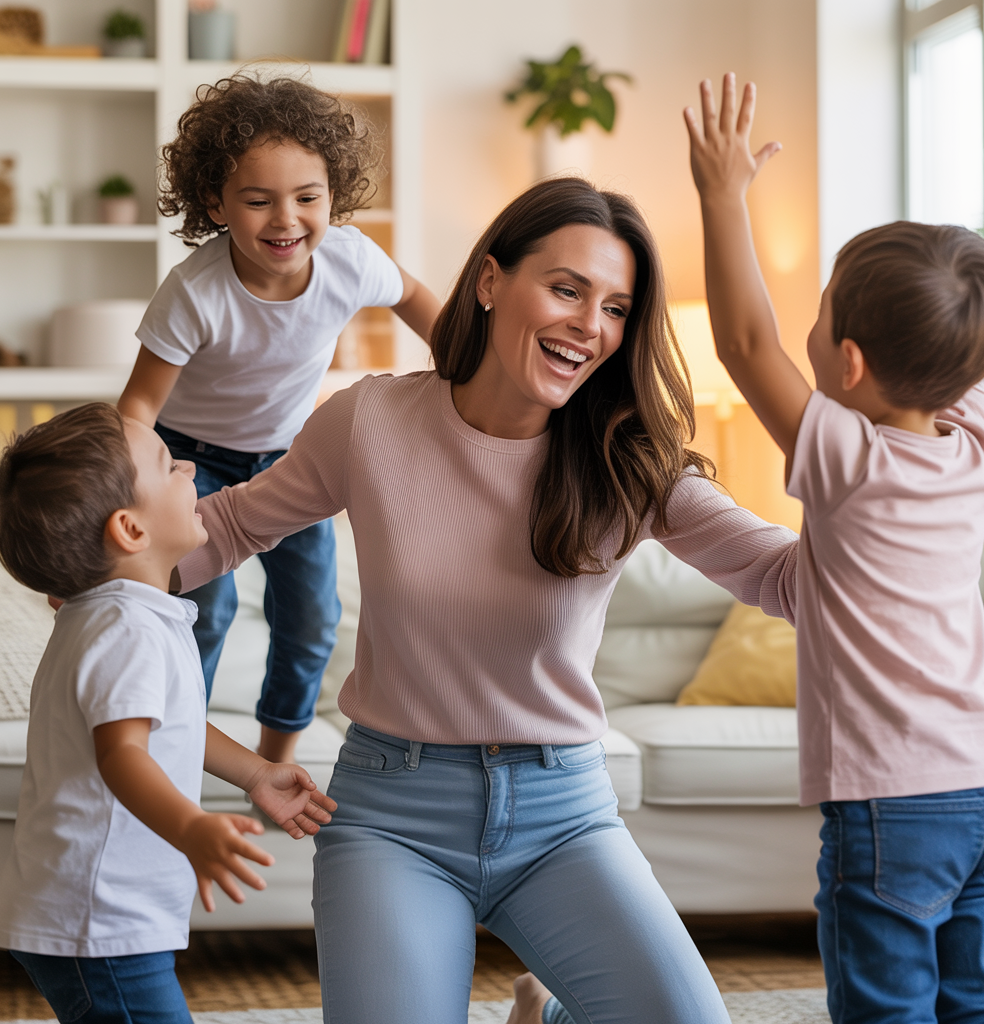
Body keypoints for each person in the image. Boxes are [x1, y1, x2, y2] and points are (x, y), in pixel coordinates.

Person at [171, 175, 799, 1024]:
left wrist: (897, 503)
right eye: (568, 289)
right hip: (392, 815)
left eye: (616, 308)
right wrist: (101, 567)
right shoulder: (372, 421)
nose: (590, 324)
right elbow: (232, 527)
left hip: (565, 814)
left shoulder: (628, 463)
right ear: (491, 280)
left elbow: (782, 575)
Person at [684, 73, 984, 1023]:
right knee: (983, 1000)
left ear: (849, 364)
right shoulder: (974, 440)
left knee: (888, 1010)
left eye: (823, 302)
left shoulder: (851, 456)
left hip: (896, 801)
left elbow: (746, 343)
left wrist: (721, 194)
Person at [118, 73, 441, 765]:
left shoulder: (350, 261)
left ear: (335, 195)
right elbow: (138, 407)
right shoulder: (195, 294)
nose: (286, 219)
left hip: (293, 460)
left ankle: (275, 763)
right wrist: (123, 503)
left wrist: (469, 363)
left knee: (313, 617)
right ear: (217, 202)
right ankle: (180, 759)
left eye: (307, 198)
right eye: (258, 200)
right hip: (189, 462)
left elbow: (414, 296)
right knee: (206, 617)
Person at [0, 403, 336, 1024]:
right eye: (166, 463)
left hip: (93, 912)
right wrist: (189, 826)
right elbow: (122, 754)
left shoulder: (123, 615)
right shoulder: (126, 626)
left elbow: (169, 727)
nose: (187, 466)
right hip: (100, 918)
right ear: (130, 530)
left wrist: (257, 774)